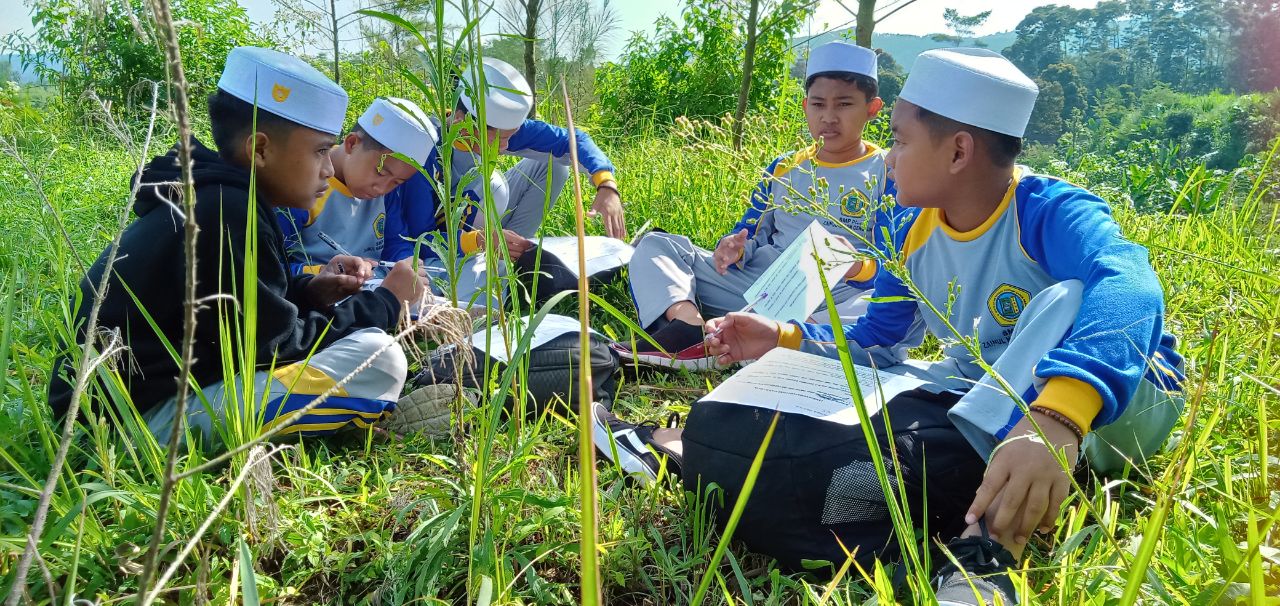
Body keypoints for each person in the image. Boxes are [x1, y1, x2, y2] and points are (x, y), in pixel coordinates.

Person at [594, 48, 1185, 604]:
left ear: (957, 152)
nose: (890, 158)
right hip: (982, 397)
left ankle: (992, 555)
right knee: (841, 418)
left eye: (899, 142)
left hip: (1114, 410)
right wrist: (782, 338)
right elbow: (878, 340)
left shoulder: (1047, 210)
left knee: (1064, 298)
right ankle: (685, 444)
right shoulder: (909, 230)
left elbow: (1131, 285)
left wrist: (1056, 416)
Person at [48, 46, 431, 450]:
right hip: (122, 429)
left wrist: (310, 292)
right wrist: (387, 302)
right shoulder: (228, 213)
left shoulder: (222, 199)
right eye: (320, 150)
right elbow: (272, 348)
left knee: (367, 350)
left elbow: (236, 322)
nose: (329, 168)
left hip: (131, 405)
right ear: (261, 148)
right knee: (379, 360)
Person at [616, 41, 889, 370]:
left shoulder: (888, 172)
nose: (828, 117)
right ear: (805, 106)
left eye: (844, 105)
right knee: (657, 245)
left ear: (872, 108)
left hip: (836, 297)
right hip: (762, 287)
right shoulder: (785, 167)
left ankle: (759, 342)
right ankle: (690, 331)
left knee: (879, 317)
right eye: (818, 104)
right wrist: (734, 249)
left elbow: (895, 266)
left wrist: (857, 266)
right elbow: (749, 233)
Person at [387, 57, 626, 304]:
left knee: (554, 166)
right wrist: (477, 241)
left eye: (510, 137)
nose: (505, 147)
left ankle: (512, 255)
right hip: (449, 245)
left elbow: (573, 140)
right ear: (462, 121)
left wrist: (606, 183)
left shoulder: (499, 130)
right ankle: (496, 267)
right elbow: (421, 239)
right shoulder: (425, 149)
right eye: (498, 139)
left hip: (484, 231)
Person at [276, 96, 437, 276]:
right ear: (352, 144)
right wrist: (321, 273)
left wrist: (406, 261)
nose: (382, 189)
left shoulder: (387, 195)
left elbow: (395, 242)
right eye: (381, 173)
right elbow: (272, 269)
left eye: (397, 183)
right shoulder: (303, 187)